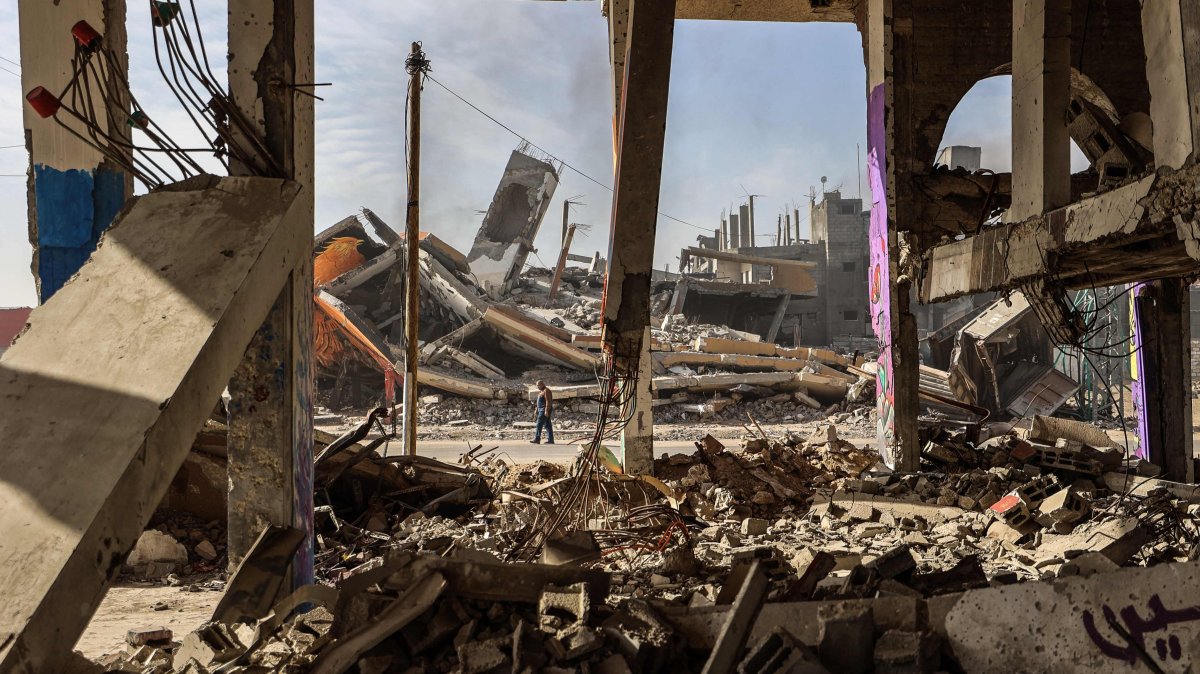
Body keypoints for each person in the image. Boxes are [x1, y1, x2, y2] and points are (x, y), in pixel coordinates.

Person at [532, 380, 555, 445]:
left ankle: (537, 439)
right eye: (537, 386)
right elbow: (539, 402)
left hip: (544, 410)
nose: (538, 387)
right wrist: (536, 410)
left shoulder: (546, 391)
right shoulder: (541, 391)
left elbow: (548, 401)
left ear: (542, 384)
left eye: (538, 385)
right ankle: (551, 440)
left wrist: (546, 411)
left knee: (539, 424)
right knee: (547, 425)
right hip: (540, 410)